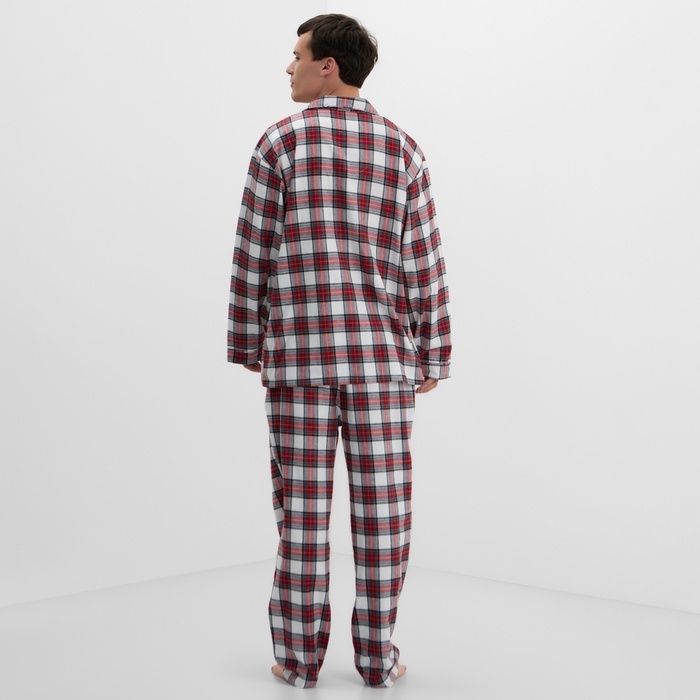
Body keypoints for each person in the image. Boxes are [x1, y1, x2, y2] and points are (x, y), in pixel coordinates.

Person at [227, 13, 451, 689]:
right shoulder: (402, 149)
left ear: (328, 65)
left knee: (301, 517)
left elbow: (252, 253)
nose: (288, 66)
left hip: (298, 361)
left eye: (297, 55)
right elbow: (424, 262)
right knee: (384, 516)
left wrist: (247, 341)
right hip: (382, 366)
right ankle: (377, 662)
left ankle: (299, 663)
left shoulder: (279, 143)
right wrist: (434, 352)